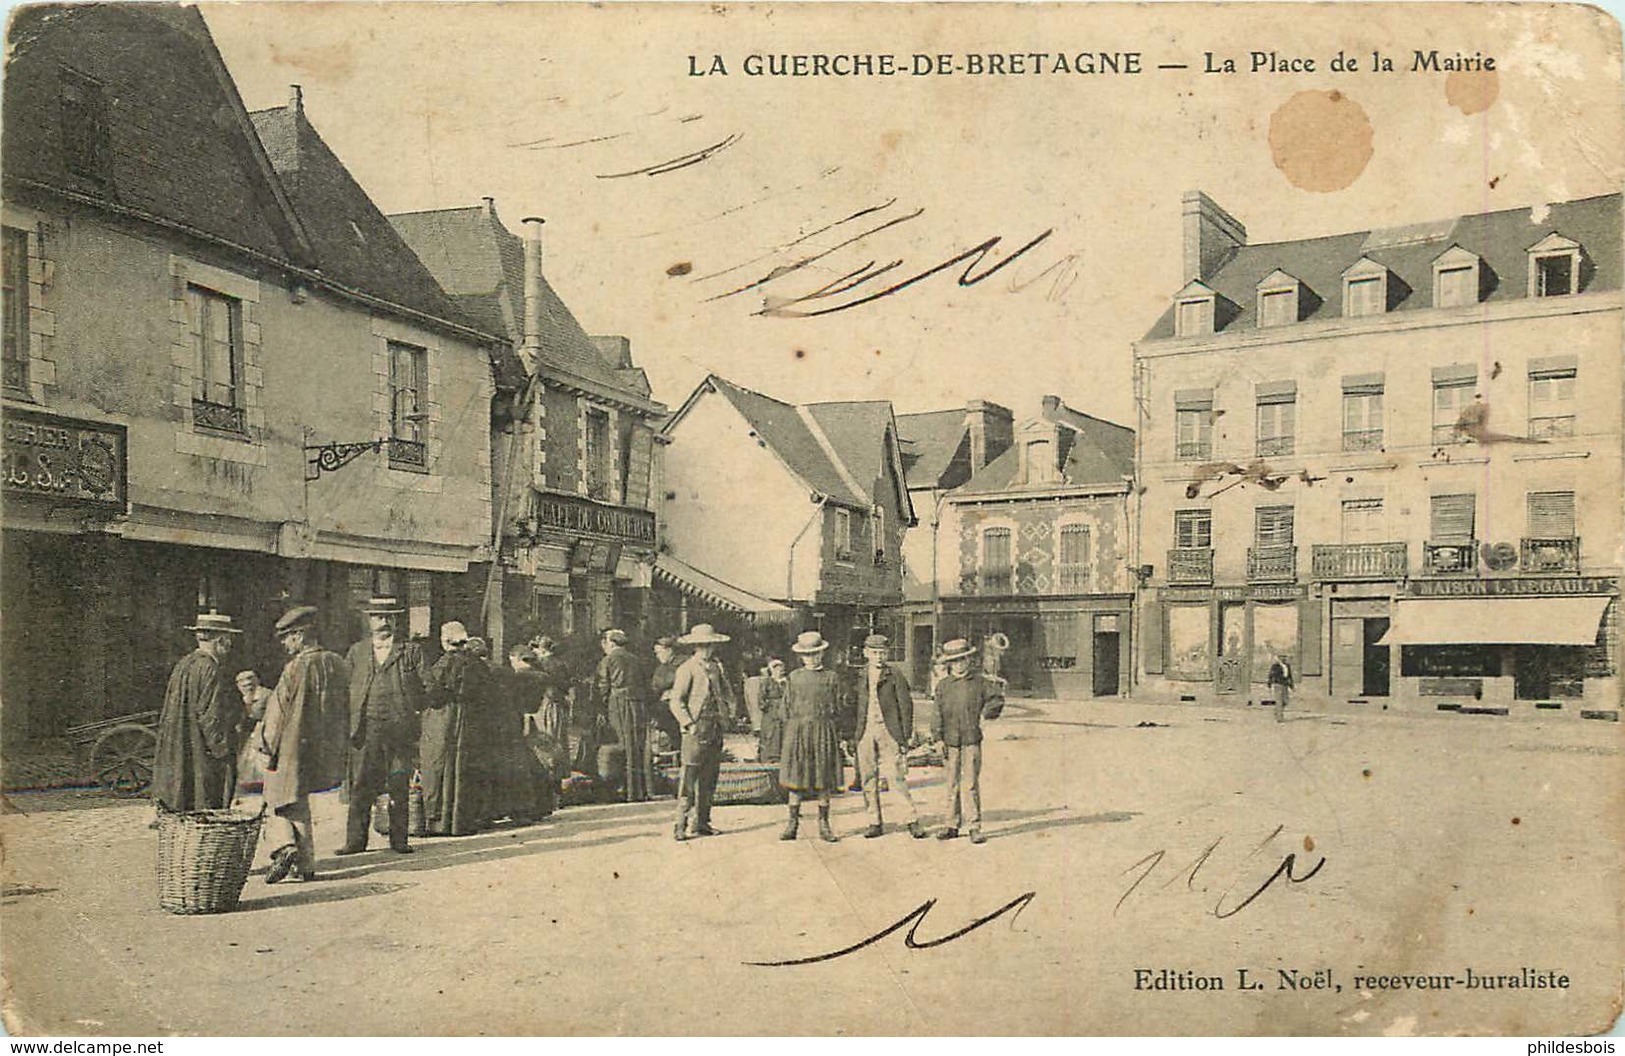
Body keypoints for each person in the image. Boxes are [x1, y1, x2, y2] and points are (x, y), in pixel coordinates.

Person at [258, 606, 349, 884]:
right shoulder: (336, 662)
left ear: (299, 636)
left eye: (287, 637)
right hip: (323, 747)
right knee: (297, 801)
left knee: (277, 797)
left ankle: (284, 847)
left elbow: (277, 714)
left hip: (292, 745)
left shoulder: (295, 668)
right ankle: (305, 864)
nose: (285, 644)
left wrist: (265, 745)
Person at [339, 596, 427, 855]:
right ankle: (355, 841)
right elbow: (344, 687)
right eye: (378, 617)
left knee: (399, 785)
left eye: (389, 617)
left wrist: (412, 709)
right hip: (365, 730)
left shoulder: (410, 651)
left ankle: (399, 840)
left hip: (399, 731)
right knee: (361, 786)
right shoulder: (357, 651)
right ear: (369, 620)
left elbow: (428, 685)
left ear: (397, 620)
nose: (384, 622)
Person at [153, 610, 244, 812]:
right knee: (205, 805)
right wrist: (223, 752)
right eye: (229, 638)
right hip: (201, 753)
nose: (230, 644)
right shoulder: (210, 668)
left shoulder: (184, 664)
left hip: (180, 748)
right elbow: (210, 717)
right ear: (220, 640)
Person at [421, 621, 492, 836]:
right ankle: (464, 820)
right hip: (471, 718)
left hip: (445, 717)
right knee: (465, 766)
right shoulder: (477, 664)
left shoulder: (444, 663)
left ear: (445, 641)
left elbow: (432, 692)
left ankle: (439, 820)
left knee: (439, 763)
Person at [932, 638, 1005, 844]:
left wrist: (986, 714)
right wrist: (937, 738)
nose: (960, 664)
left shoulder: (980, 682)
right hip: (950, 741)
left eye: (963, 660)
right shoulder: (943, 686)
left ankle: (974, 825)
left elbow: (996, 699)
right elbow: (936, 714)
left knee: (970, 783)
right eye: (955, 661)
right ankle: (951, 824)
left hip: (971, 739)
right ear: (949, 664)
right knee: (951, 783)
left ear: (969, 660)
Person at [854, 634, 925, 839]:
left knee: (895, 776)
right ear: (866, 653)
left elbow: (905, 705)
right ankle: (874, 821)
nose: (878, 657)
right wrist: (852, 735)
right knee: (868, 777)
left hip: (889, 730)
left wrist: (905, 736)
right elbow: (850, 705)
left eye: (882, 653)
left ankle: (910, 819)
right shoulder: (858, 676)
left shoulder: (895, 675)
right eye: (874, 653)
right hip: (865, 730)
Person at [668, 623, 734, 841]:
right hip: (696, 729)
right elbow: (676, 701)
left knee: (709, 777)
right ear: (695, 646)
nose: (706, 649)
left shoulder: (717, 667)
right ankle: (680, 824)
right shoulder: (686, 668)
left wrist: (728, 713)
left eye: (710, 645)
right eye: (702, 645)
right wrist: (688, 724)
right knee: (689, 776)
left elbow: (728, 693)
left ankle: (702, 822)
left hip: (715, 727)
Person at [777, 631, 845, 843]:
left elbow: (840, 706)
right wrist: (793, 730)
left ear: (822, 654)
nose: (812, 658)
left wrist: (835, 729)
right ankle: (792, 824)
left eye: (815, 654)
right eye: (807, 655)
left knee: (823, 779)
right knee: (796, 779)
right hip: (798, 732)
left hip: (823, 731)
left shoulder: (831, 678)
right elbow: (784, 709)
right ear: (801, 656)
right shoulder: (794, 678)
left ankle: (824, 825)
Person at [597, 628, 650, 802]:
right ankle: (639, 790)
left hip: (619, 704)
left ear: (611, 643)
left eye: (605, 642)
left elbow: (603, 686)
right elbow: (646, 684)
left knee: (622, 744)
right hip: (638, 704)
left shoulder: (608, 660)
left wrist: (600, 708)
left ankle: (624, 790)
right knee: (637, 745)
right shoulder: (637, 660)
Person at [234, 669, 273, 793]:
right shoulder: (242, 697)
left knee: (262, 758)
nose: (246, 688)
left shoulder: (266, 695)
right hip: (247, 732)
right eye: (243, 686)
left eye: (250, 685)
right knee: (247, 760)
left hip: (262, 730)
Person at [649, 636, 684, 756]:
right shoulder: (661, 667)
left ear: (669, 650)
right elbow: (656, 687)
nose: (657, 656)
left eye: (659, 652)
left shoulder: (682, 663)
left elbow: (667, 683)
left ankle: (676, 750)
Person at [756, 658, 788, 763]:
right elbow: (761, 698)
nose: (780, 671)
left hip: (784, 711)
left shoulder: (786, 682)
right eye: (777, 669)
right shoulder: (767, 682)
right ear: (772, 670)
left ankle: (782, 756)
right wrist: (767, 706)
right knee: (770, 734)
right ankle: (768, 757)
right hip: (771, 713)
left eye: (781, 669)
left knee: (784, 732)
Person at [1268, 653, 1295, 723]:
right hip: (1278, 684)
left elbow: (1290, 676)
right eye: (1281, 657)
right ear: (1278, 658)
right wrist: (1270, 683)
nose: (1283, 658)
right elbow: (1271, 675)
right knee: (1279, 701)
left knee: (1285, 701)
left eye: (1284, 657)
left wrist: (1292, 685)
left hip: (1285, 685)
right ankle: (1279, 718)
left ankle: (1277, 712)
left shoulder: (1287, 666)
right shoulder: (1275, 666)